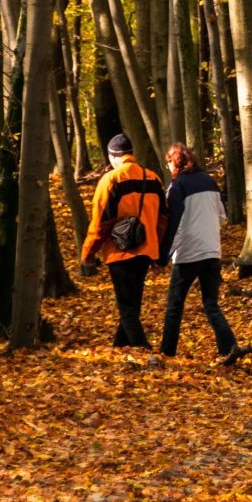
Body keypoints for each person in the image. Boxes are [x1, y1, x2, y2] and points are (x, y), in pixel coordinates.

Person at [81, 133, 168, 349]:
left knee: (127, 305)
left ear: (113, 156)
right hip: (146, 249)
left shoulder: (110, 180)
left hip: (119, 250)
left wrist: (88, 253)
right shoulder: (153, 179)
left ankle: (143, 348)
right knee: (133, 301)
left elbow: (101, 222)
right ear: (131, 154)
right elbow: (163, 220)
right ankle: (119, 345)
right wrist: (158, 252)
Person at [158, 142, 239, 359]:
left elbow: (174, 224)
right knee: (211, 304)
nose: (168, 168)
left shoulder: (177, 187)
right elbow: (222, 215)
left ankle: (167, 352)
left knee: (175, 305)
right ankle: (229, 347)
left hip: (188, 254)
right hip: (212, 252)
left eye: (168, 163)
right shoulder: (210, 182)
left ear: (175, 163)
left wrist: (162, 255)